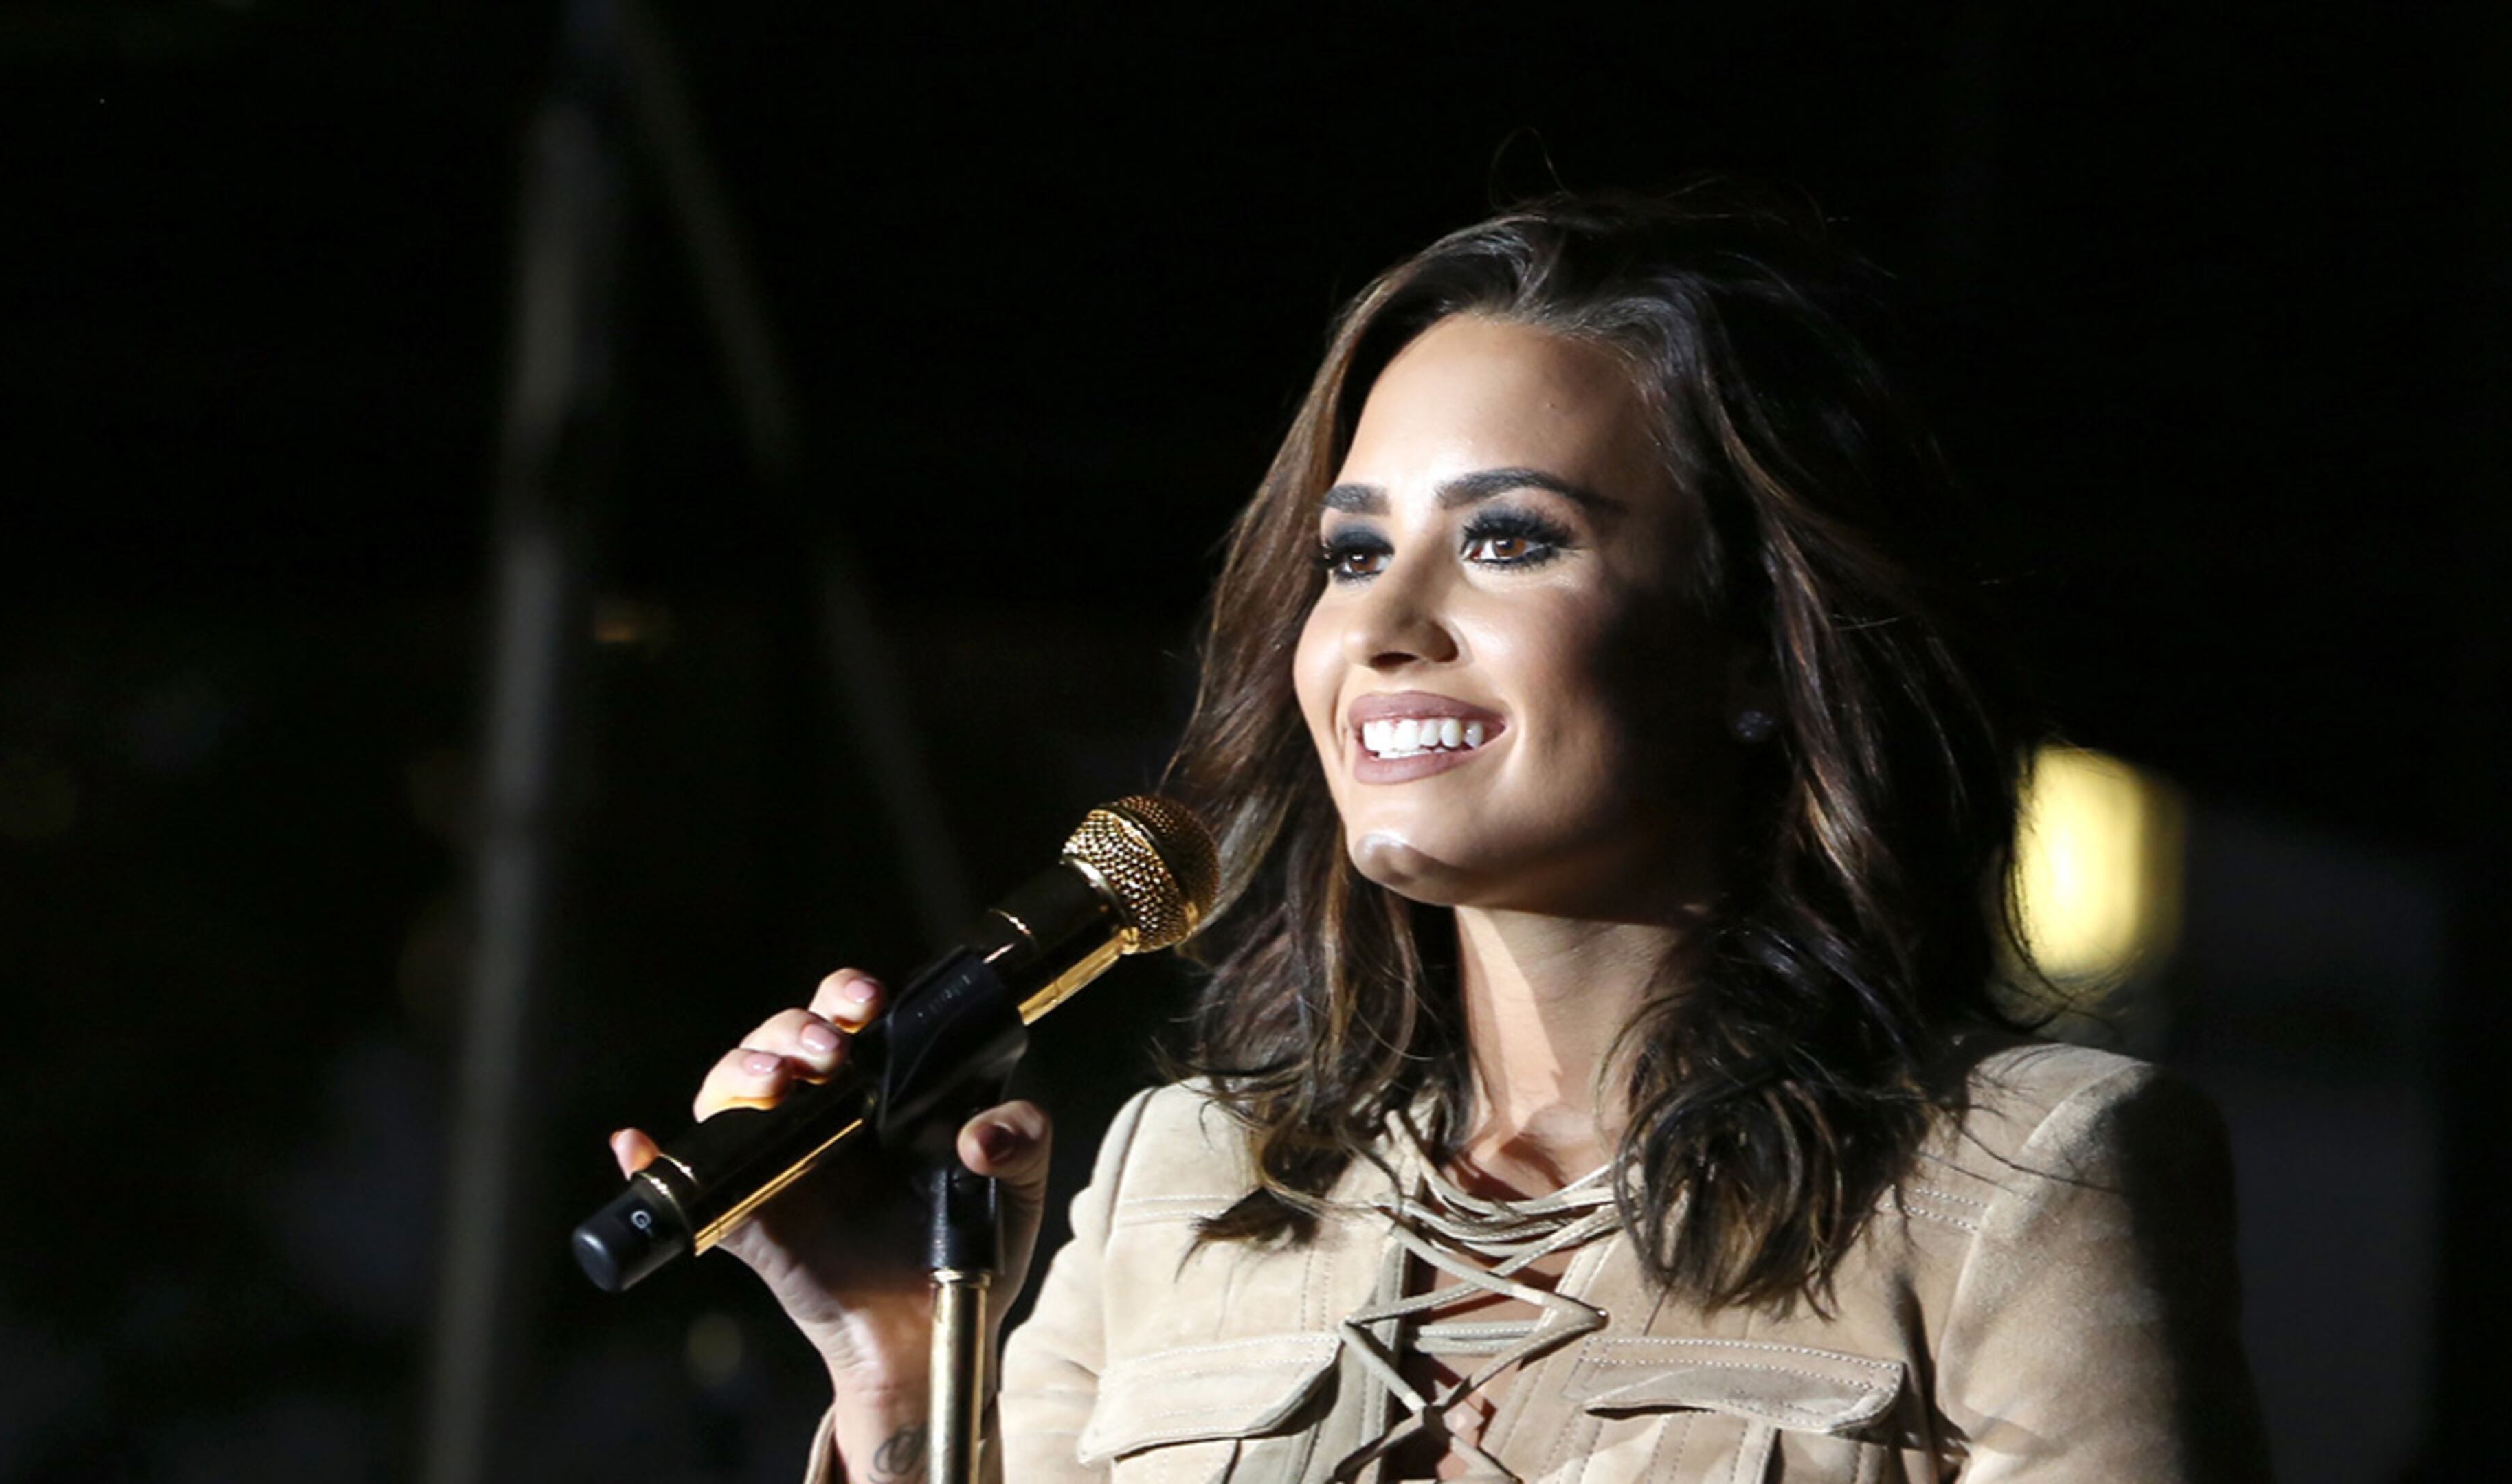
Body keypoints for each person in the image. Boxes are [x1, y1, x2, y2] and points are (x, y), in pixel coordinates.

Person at [612, 188, 2271, 1483]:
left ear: (1758, 648)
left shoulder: (2024, 1183)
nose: (1385, 625)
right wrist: (906, 1378)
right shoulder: (1184, 1178)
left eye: (1509, 540)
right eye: (1349, 556)